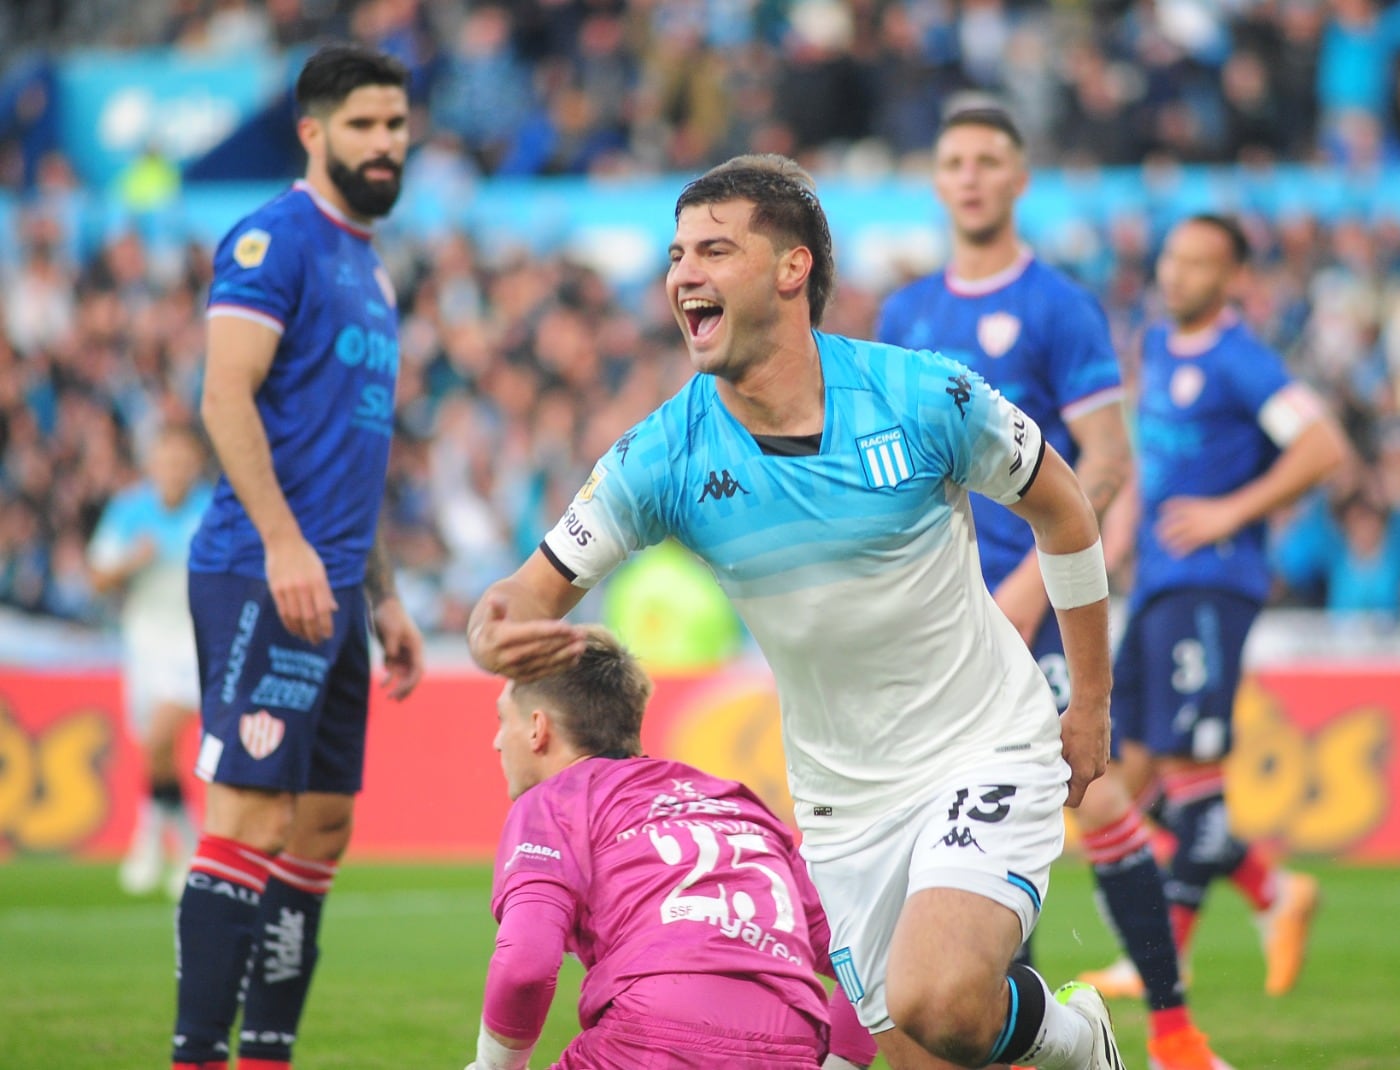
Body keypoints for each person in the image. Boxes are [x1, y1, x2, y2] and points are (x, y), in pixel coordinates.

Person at [469, 153, 1127, 1070]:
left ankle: (1079, 1040)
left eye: (714, 250)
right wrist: (493, 627)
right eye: (676, 255)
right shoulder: (663, 456)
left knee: (939, 997)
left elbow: (1065, 509)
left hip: (983, 744)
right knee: (937, 1047)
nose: (684, 274)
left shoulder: (924, 396)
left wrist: (1089, 701)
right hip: (842, 803)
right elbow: (527, 590)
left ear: (791, 269)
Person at [877, 106, 1230, 1070]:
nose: (970, 176)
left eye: (988, 160)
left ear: (1019, 179)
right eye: (954, 161)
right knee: (943, 818)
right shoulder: (904, 315)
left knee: (1098, 795)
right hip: (936, 618)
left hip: (1033, 606)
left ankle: (1173, 1032)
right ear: (937, 180)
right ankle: (1007, 1029)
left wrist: (1035, 584)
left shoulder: (1058, 307)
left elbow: (1106, 460)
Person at [172, 44, 425, 1070]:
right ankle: (197, 1054)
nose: (384, 142)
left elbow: (353, 453)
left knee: (319, 828)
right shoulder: (273, 239)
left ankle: (268, 1054)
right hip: (260, 570)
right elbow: (222, 396)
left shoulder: (372, 269)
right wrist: (283, 544)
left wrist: (385, 594)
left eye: (395, 124)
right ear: (314, 132)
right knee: (250, 816)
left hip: (336, 585)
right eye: (363, 125)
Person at [1084, 214, 1348, 1001]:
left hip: (1212, 583)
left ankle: (1159, 959)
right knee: (1124, 773)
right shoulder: (1160, 345)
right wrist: (1121, 529)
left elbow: (1323, 446)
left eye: (1199, 264)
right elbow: (1151, 455)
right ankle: (1272, 890)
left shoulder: (1242, 361)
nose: (1176, 274)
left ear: (1234, 279)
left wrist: (1233, 511)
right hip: (1158, 582)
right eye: (1172, 258)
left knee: (1191, 771)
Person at [463, 625, 877, 1070]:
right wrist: (842, 1064)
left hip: (649, 1039)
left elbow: (525, 964)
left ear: (537, 729)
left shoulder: (557, 799)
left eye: (502, 720)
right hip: (791, 1048)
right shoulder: (739, 804)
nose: (496, 741)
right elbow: (866, 951)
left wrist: (492, 1066)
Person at [87, 423, 212, 899]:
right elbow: (97, 578)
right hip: (143, 644)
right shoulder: (129, 510)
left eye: (183, 461)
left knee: (160, 737)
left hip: (194, 643)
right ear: (152, 463)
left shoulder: (212, 510)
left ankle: (147, 836)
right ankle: (187, 842)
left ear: (195, 464)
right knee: (155, 749)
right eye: (166, 460)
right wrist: (131, 561)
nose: (174, 469)